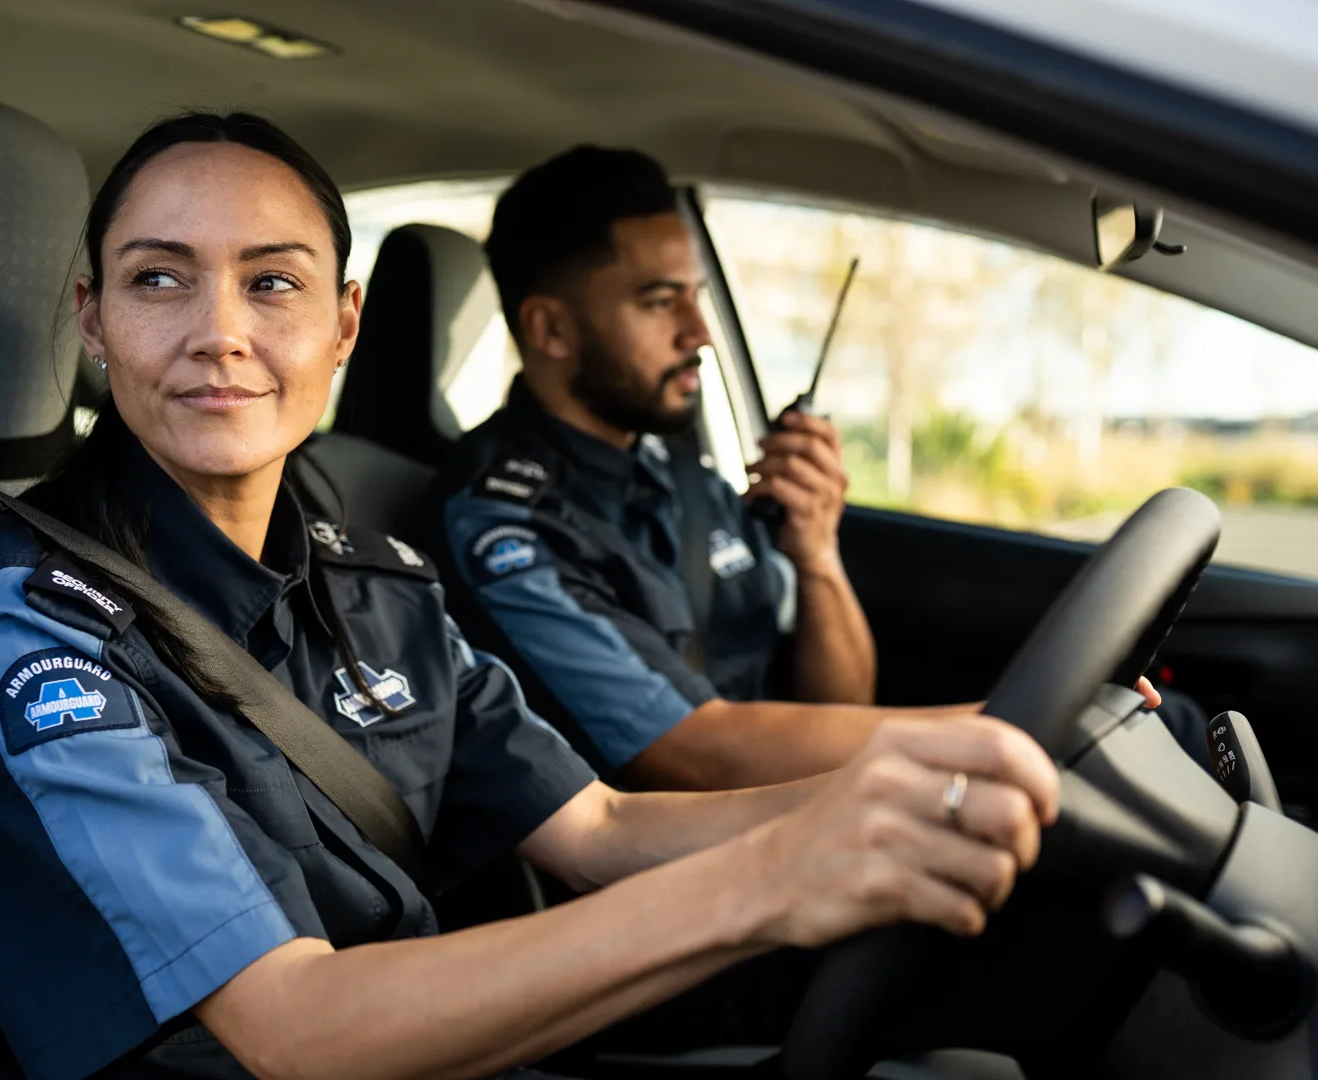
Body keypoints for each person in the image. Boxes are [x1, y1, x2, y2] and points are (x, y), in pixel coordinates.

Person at [0, 113, 1060, 1080]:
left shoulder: (373, 584)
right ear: (93, 318)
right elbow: (292, 1030)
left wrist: (912, 783)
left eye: (272, 283)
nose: (219, 332)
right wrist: (775, 879)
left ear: (344, 326)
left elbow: (600, 831)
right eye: (159, 280)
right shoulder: (34, 632)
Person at [422, 146, 1167, 791]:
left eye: (697, 297)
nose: (699, 332)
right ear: (550, 329)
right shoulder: (503, 517)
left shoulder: (681, 471)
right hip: (704, 865)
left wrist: (816, 557)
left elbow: (840, 709)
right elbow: (692, 753)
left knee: (1171, 733)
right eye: (659, 302)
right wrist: (1020, 728)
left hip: (821, 809)